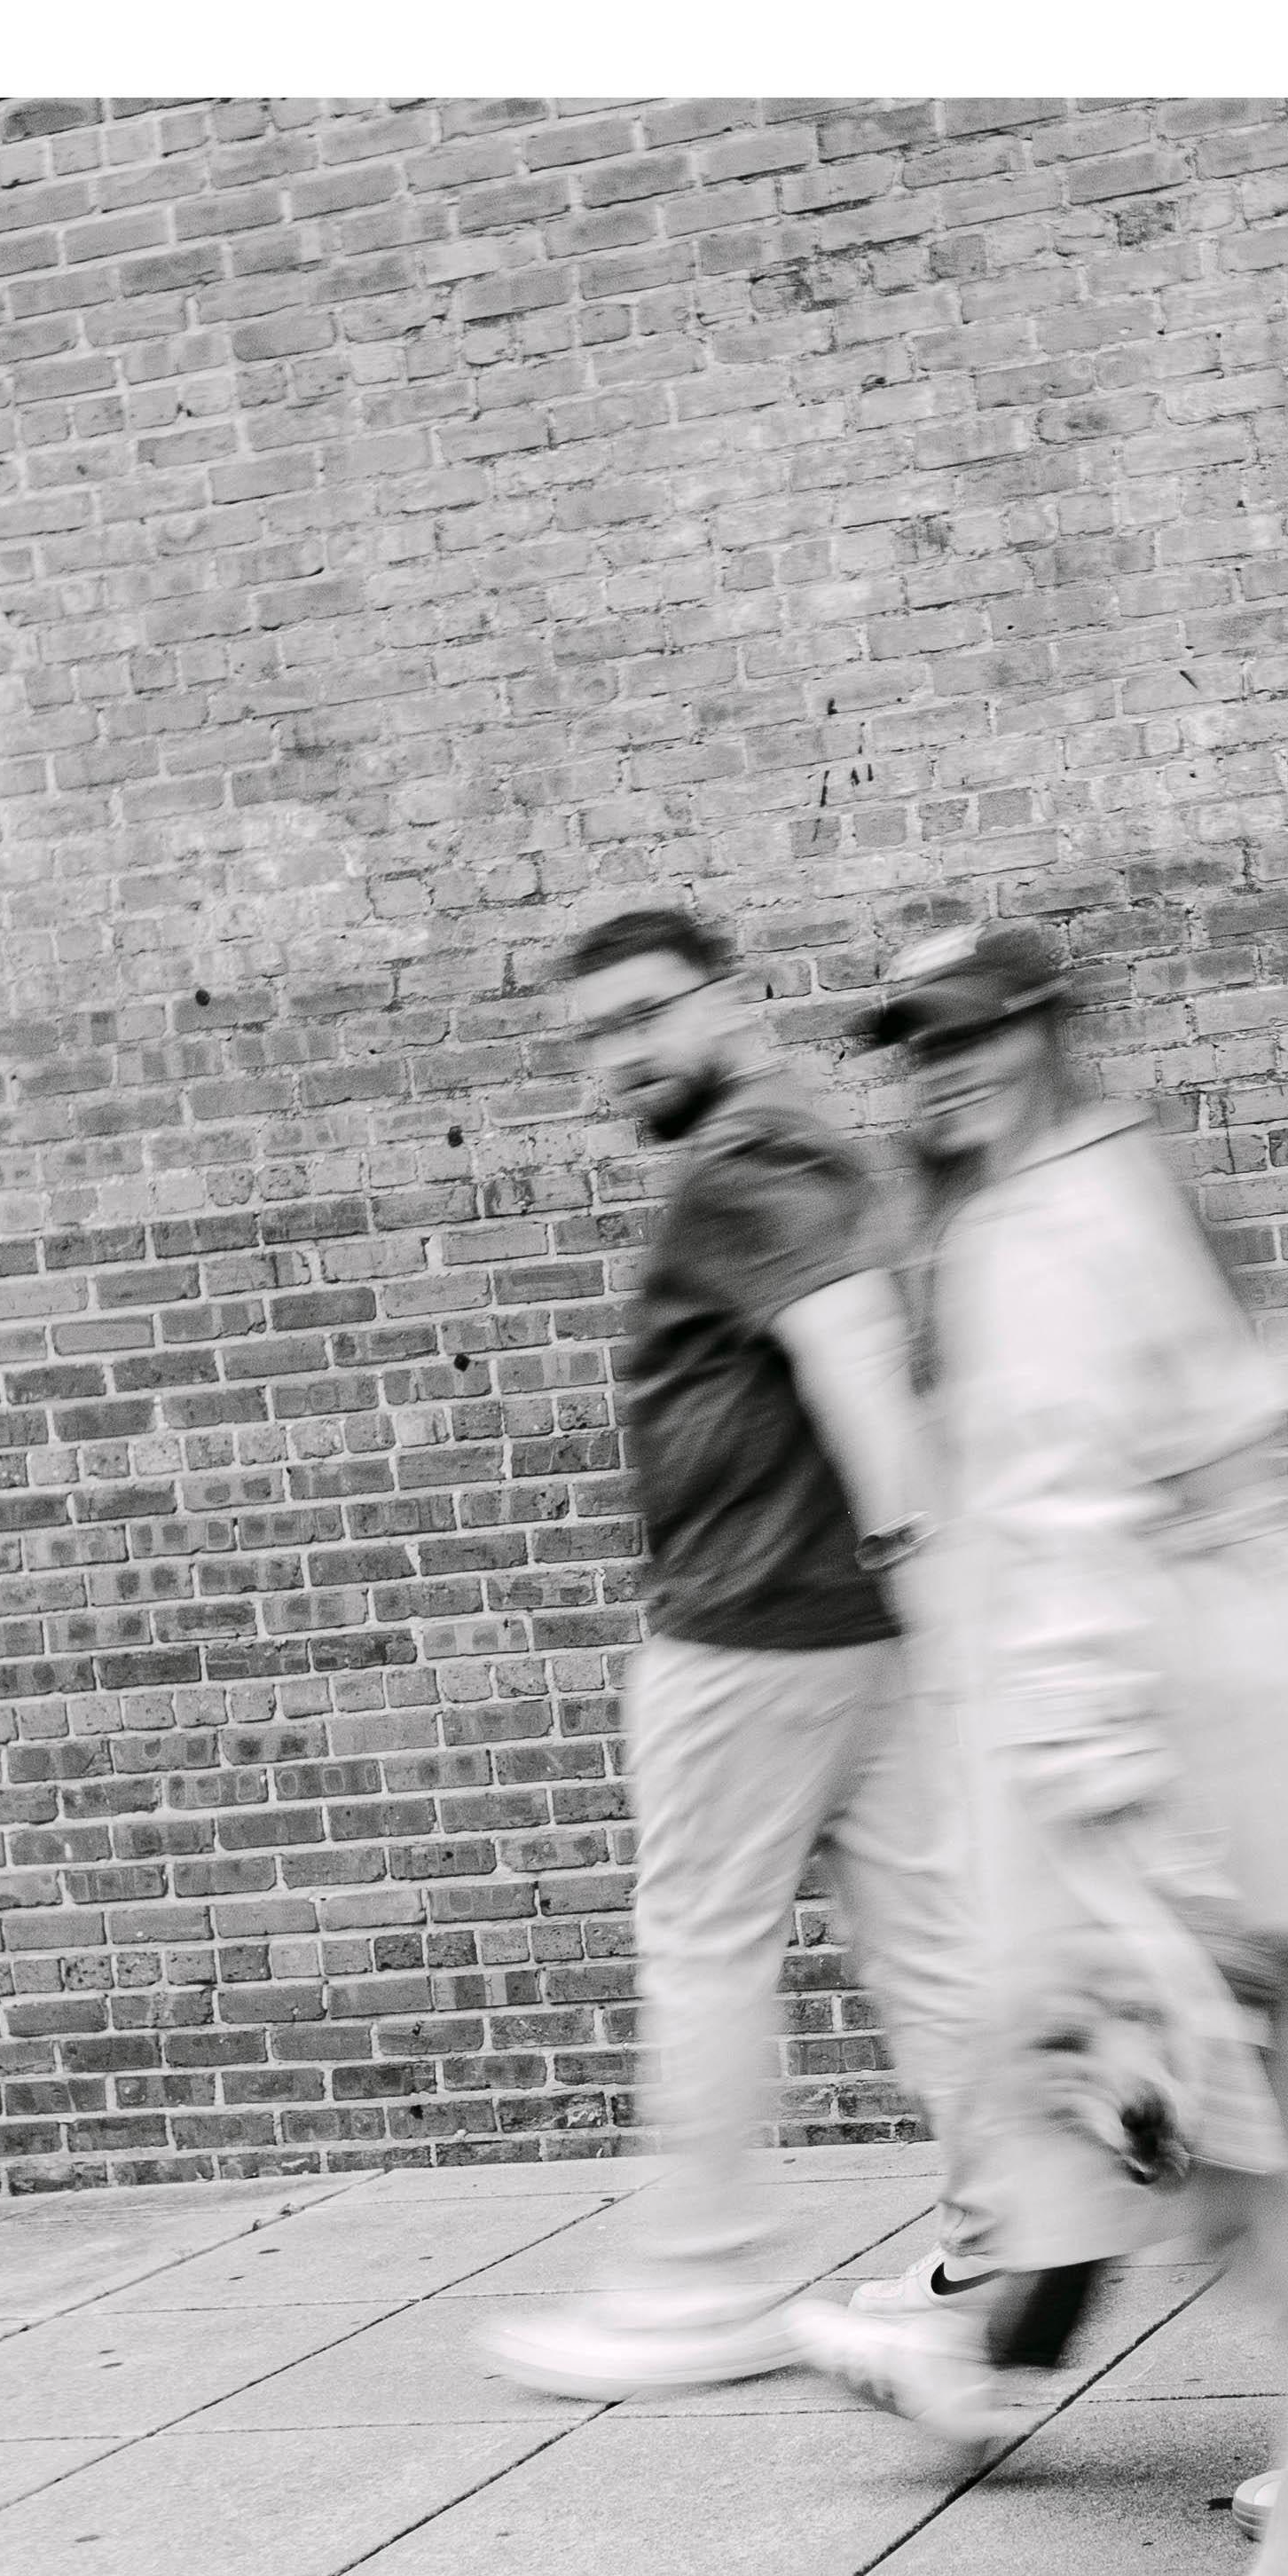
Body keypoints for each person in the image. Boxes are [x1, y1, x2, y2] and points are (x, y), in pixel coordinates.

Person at [812, 915, 1288, 2531]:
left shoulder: (1051, 1225)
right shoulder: (1090, 1182)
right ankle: (997, 2337)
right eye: (919, 1047)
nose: (944, 1070)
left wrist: (1093, 1763)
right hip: (1194, 1675)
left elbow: (1079, 1505)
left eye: (973, 1033)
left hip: (1161, 1703)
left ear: (1046, 1029)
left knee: (1246, 2072)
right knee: (1180, 2074)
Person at [468, 903, 978, 2401]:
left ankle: (697, 2281)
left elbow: (856, 1360)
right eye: (593, 1038)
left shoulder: (749, 1163)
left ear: (731, 999)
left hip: (750, 1638)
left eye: (644, 1017)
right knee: (933, 1956)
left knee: (705, 1951)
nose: (619, 1057)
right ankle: (1007, 2241)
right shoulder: (807, 1148)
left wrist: (919, 1559)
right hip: (855, 1637)